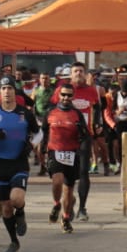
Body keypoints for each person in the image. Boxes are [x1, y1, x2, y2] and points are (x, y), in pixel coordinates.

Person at [0, 75, 39, 252]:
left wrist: (31, 144)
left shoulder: (24, 113)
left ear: (15, 92)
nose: (7, 92)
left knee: (17, 199)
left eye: (10, 88)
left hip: (19, 162)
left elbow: (39, 133)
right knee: (5, 206)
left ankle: (21, 211)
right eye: (3, 89)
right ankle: (13, 241)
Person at [53, 62, 102, 221]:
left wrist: (97, 124)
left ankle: (82, 208)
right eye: (76, 71)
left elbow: (97, 108)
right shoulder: (63, 90)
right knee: (67, 175)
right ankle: (69, 202)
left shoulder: (91, 91)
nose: (79, 74)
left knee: (83, 172)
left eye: (81, 71)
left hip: (84, 136)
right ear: (71, 74)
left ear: (85, 73)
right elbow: (52, 108)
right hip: (65, 137)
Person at [45, 79, 89, 233]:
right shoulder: (50, 112)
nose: (66, 98)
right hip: (54, 151)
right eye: (63, 95)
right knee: (57, 181)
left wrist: (82, 133)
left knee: (68, 190)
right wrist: (41, 150)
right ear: (59, 95)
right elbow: (43, 132)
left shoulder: (77, 114)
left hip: (71, 153)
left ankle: (65, 218)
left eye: (69, 96)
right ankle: (56, 203)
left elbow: (85, 136)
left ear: (73, 97)